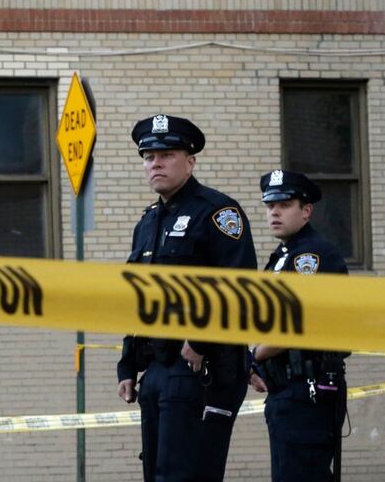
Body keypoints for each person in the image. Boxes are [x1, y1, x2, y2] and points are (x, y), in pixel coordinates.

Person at [117, 114, 257, 481]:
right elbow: (140, 298)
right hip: (157, 369)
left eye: (167, 154)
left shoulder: (217, 212)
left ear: (190, 161)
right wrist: (128, 365)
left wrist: (200, 339)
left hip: (200, 367)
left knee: (187, 475)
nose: (155, 163)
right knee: (158, 474)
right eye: (148, 156)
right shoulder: (147, 222)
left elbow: (238, 286)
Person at [250, 170, 349, 482]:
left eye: (285, 204)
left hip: (307, 388)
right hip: (285, 389)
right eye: (270, 206)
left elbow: (300, 322)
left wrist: (255, 355)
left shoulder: (312, 255)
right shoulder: (283, 256)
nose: (274, 212)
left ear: (306, 211)